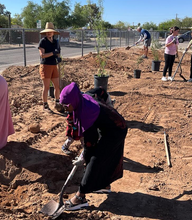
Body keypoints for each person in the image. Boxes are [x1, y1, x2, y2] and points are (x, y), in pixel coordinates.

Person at [59, 82, 128, 211]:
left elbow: (91, 144)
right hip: (108, 127)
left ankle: (80, 197)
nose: (65, 109)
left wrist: (84, 156)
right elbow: (100, 90)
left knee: (94, 159)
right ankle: (104, 186)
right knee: (100, 157)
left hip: (116, 130)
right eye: (62, 105)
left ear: (73, 101)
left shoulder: (86, 113)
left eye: (66, 106)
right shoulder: (83, 98)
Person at [60, 87, 114, 155]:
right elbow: (69, 121)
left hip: (80, 129)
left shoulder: (84, 111)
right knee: (71, 139)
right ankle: (65, 147)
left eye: (66, 107)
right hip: (74, 129)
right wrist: (73, 126)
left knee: (84, 141)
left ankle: (85, 152)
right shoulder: (73, 110)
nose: (65, 109)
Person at [38, 22, 63, 112]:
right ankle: (45, 105)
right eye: (47, 32)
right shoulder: (43, 41)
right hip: (45, 66)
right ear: (45, 33)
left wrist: (58, 57)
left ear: (53, 33)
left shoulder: (56, 42)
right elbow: (42, 55)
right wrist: (52, 53)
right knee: (46, 87)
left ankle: (57, 102)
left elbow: (58, 52)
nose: (49, 33)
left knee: (57, 86)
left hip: (54, 65)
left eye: (50, 32)